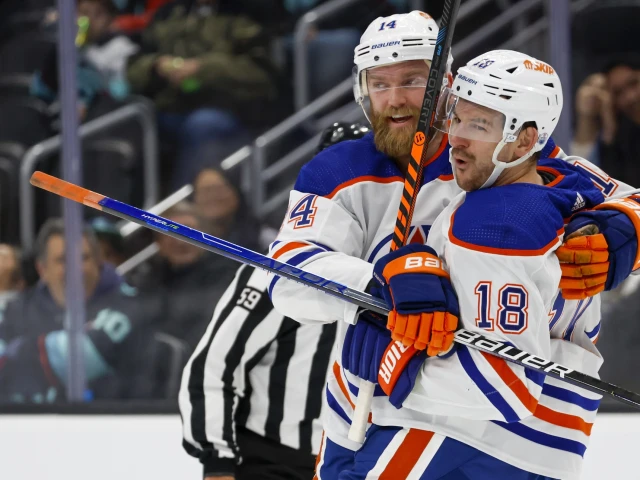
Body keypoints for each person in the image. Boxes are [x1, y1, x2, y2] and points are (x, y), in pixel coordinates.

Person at [265, 11, 640, 479]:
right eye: (379, 84)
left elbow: (627, 203)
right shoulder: (336, 172)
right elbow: (288, 278)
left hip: (509, 424)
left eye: (413, 80)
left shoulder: (518, 157)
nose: (397, 99)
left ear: (447, 83)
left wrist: (625, 232)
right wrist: (382, 283)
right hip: (372, 417)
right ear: (362, 91)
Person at [179, 122, 359, 480]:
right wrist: (217, 463)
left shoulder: (402, 273)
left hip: (362, 463)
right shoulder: (276, 273)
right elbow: (214, 368)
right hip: (275, 462)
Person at [0, 218, 158, 401]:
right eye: (62, 260)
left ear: (98, 262)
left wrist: (17, 353)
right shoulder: (17, 308)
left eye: (83, 258)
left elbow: (77, 360)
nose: (75, 269)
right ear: (42, 269)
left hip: (112, 422)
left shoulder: (129, 305)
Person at [126, 0, 280, 188]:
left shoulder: (249, 12)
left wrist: (202, 69)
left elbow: (263, 75)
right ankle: (107, 212)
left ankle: (186, 209)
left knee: (203, 123)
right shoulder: (167, 13)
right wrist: (156, 66)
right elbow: (134, 65)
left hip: (236, 109)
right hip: (171, 105)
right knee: (129, 118)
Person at [136, 201, 237, 352]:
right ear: (159, 244)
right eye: (171, 233)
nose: (180, 241)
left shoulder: (227, 275)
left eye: (189, 232)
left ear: (206, 237)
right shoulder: (147, 281)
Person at [31, 0, 139, 119]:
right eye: (83, 12)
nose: (90, 19)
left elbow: (121, 94)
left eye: (98, 13)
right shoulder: (68, 44)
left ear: (112, 18)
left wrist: (88, 102)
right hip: (60, 122)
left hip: (104, 123)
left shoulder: (122, 48)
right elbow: (42, 91)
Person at [572, 56, 640, 186]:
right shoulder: (624, 141)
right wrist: (592, 119)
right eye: (618, 92)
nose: (631, 97)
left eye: (633, 83)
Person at [193, 166, 276, 253]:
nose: (212, 197)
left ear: (236, 193)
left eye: (218, 189)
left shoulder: (264, 238)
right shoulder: (190, 245)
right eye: (205, 191)